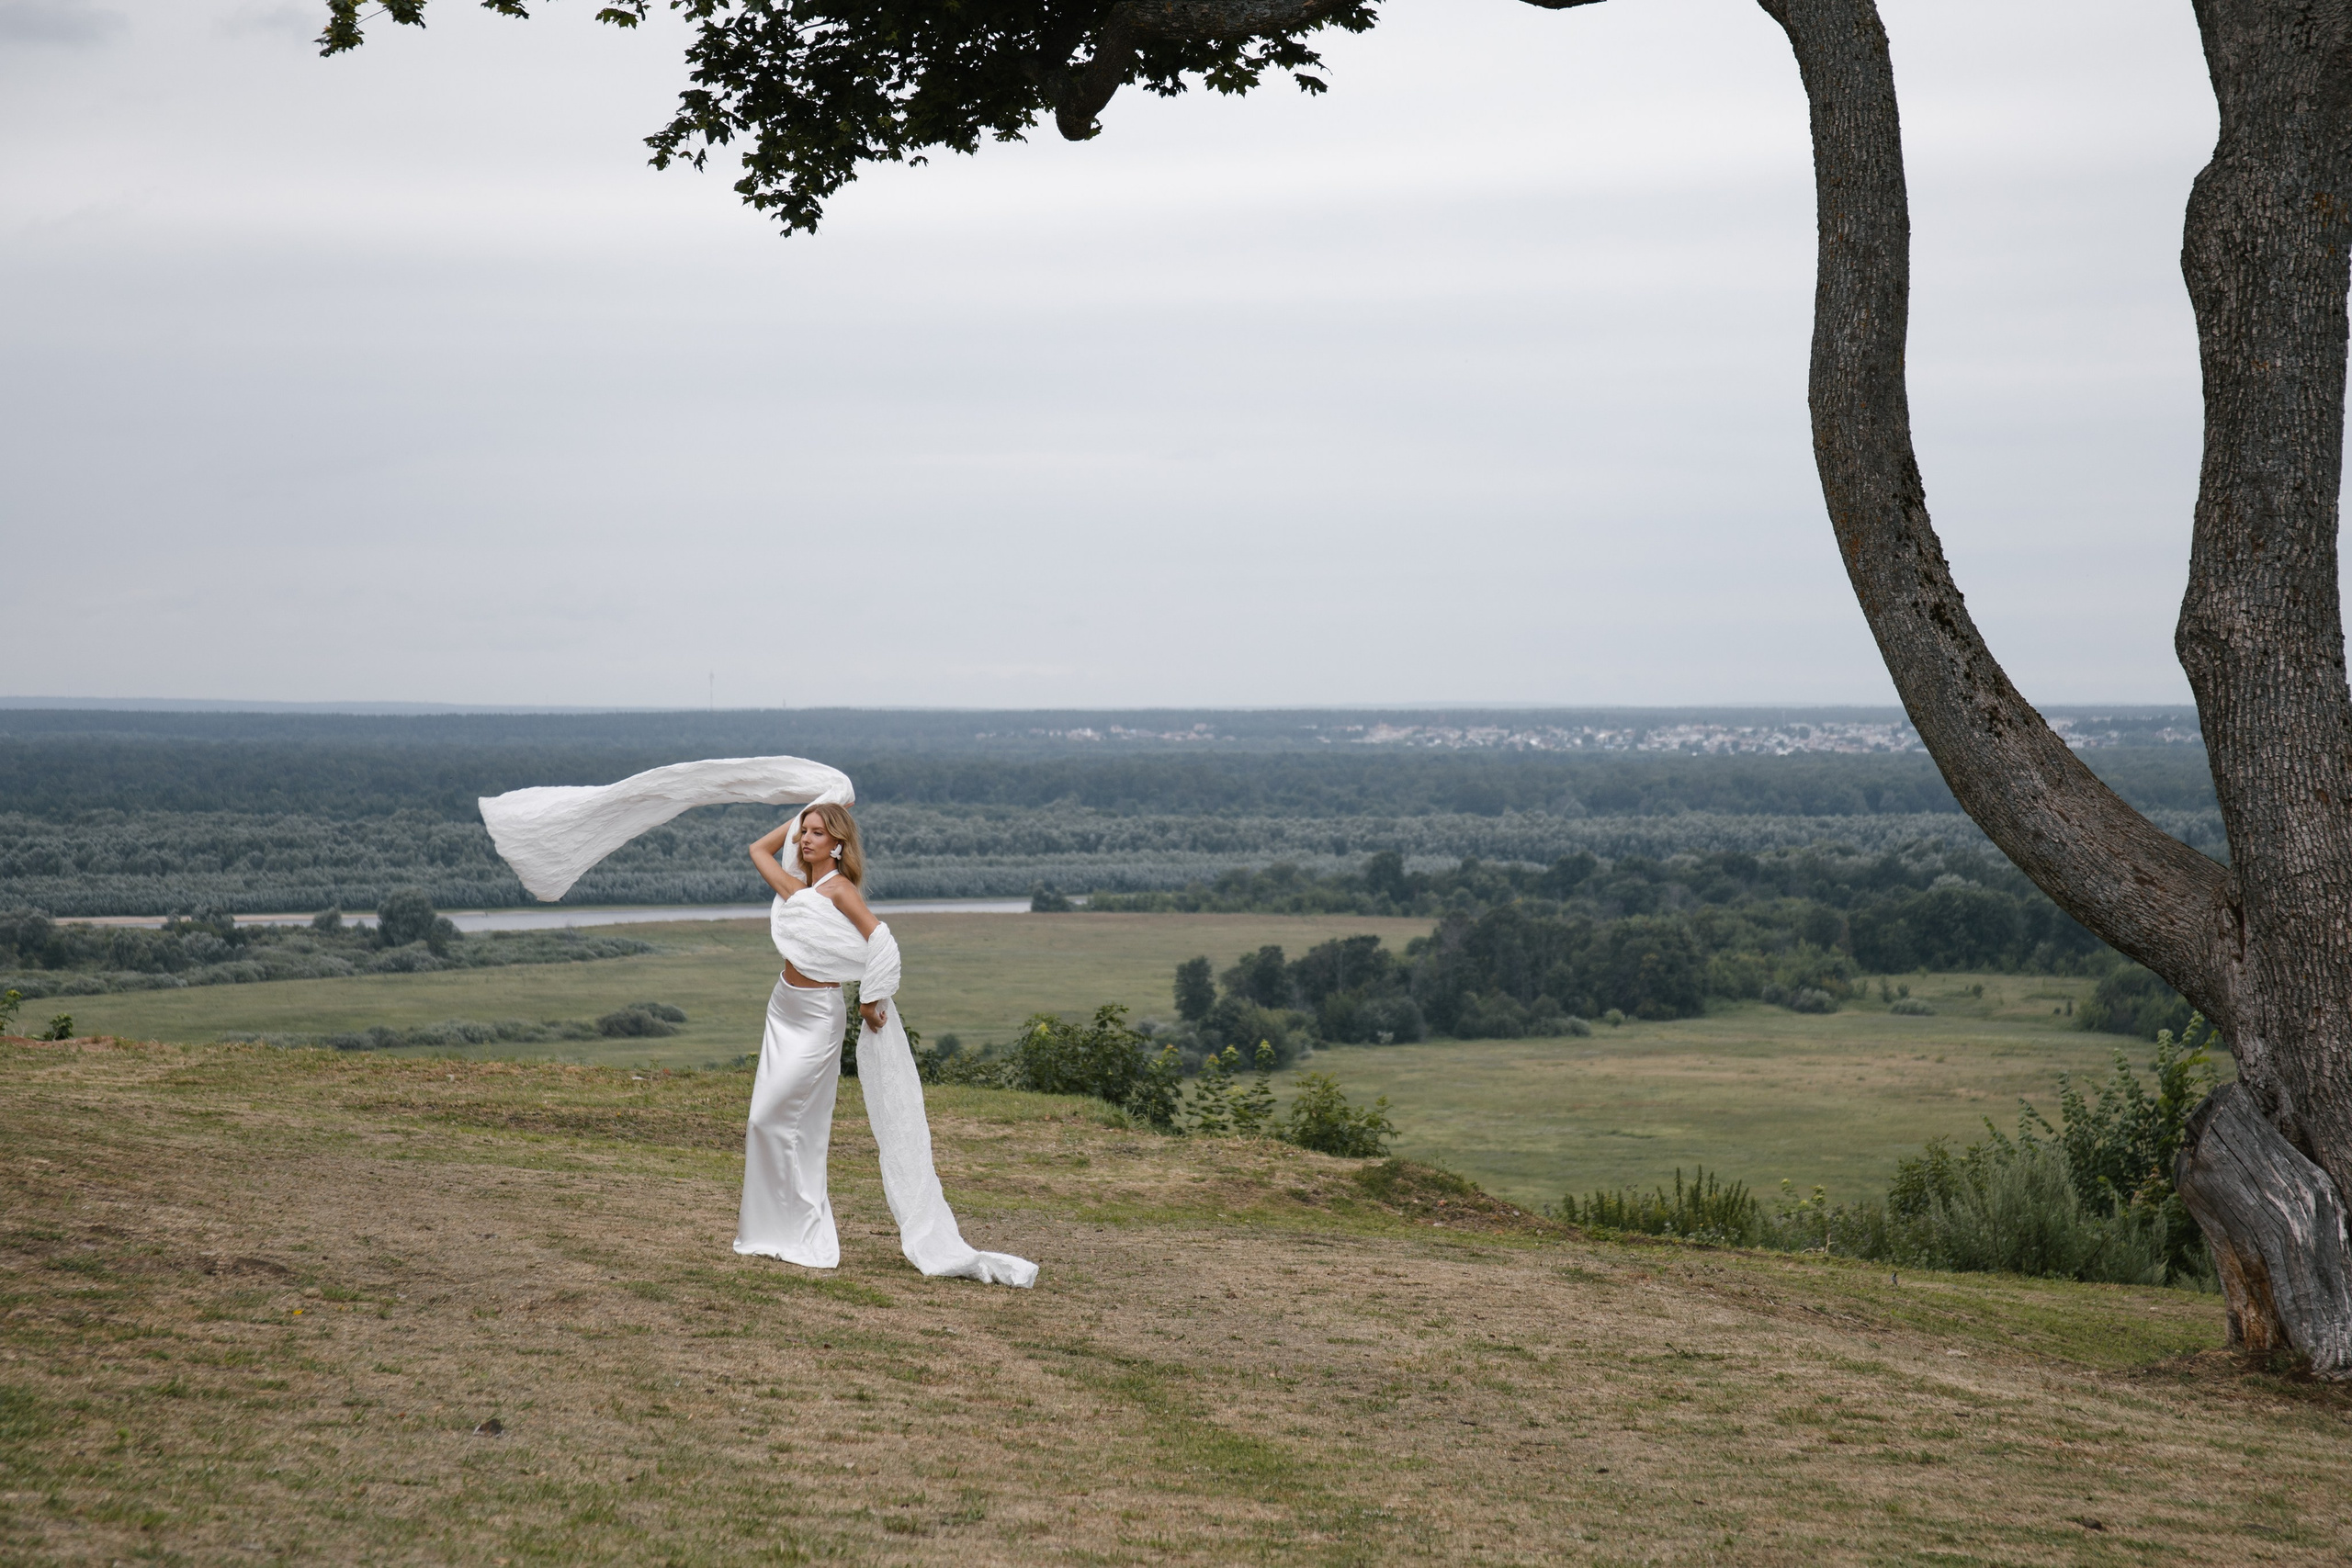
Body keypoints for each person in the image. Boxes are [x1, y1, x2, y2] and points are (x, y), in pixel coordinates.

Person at [735, 802, 1036, 1287]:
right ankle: (773, 1232)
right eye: (803, 833)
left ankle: (805, 1233)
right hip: (783, 1007)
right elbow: (756, 849)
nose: (805, 840)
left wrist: (872, 997)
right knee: (767, 1123)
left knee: (776, 1121)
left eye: (816, 833)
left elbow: (881, 940)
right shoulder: (801, 889)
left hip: (816, 1018)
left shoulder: (839, 890)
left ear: (837, 844)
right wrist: (811, 803)